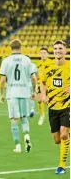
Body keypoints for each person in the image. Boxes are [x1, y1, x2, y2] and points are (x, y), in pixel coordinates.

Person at [0, 39, 36, 153]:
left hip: (12, 93)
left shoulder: (6, 60)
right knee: (24, 118)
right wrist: (34, 91)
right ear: (21, 48)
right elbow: (34, 78)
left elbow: (2, 80)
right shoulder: (27, 60)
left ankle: (18, 146)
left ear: (11, 48)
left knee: (14, 119)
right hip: (24, 92)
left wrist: (1, 94)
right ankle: (26, 135)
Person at [40, 40, 69, 175]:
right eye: (56, 48)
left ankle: (61, 166)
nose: (58, 51)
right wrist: (44, 95)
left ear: (65, 51)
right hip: (52, 107)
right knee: (57, 140)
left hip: (67, 106)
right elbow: (43, 82)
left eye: (60, 48)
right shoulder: (48, 67)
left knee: (64, 135)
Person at [36, 47, 52, 125]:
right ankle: (42, 115)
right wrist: (36, 85)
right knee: (39, 100)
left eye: (44, 53)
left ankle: (52, 115)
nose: (43, 54)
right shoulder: (38, 63)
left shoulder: (51, 63)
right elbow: (37, 76)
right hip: (41, 84)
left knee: (50, 101)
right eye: (41, 53)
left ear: (47, 54)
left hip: (49, 85)